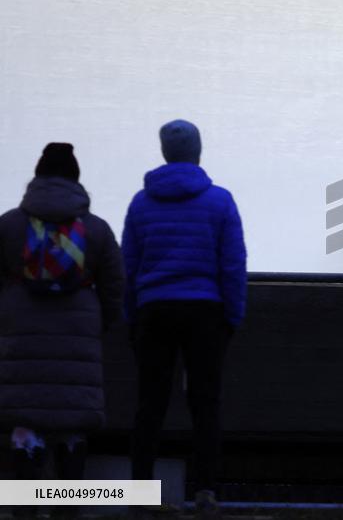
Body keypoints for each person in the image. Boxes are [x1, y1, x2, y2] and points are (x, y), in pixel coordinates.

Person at [122, 120, 247, 518]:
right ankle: (206, 491)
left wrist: (131, 317)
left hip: (154, 310)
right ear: (198, 152)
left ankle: (140, 491)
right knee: (206, 403)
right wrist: (233, 315)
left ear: (164, 153)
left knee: (150, 403)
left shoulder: (142, 203)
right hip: (205, 311)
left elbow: (129, 266)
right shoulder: (220, 201)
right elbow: (232, 265)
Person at [0, 143, 124, 518]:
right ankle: (66, 508)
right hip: (77, 338)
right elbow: (115, 288)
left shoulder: (9, 225)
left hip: (20, 336)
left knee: (25, 426)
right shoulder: (97, 230)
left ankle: (25, 507)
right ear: (76, 181)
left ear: (35, 179)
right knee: (72, 428)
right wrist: (96, 325)